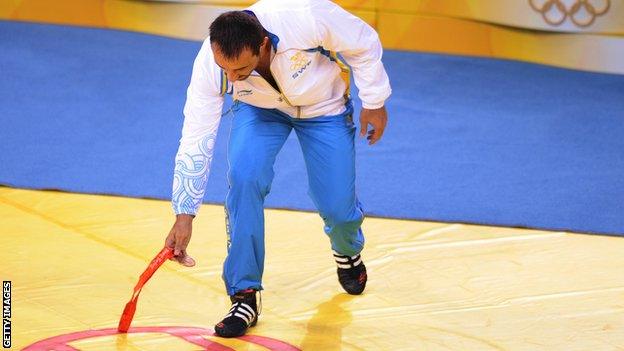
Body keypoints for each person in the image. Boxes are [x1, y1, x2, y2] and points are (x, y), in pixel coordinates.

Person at [164, 0, 391, 338]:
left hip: (323, 107)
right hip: (259, 111)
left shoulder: (305, 17)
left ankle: (347, 251)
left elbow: (364, 42)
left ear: (263, 46)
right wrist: (184, 213)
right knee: (244, 179)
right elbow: (197, 134)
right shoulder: (211, 62)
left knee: (338, 210)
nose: (230, 78)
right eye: (224, 69)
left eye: (240, 71)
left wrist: (374, 100)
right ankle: (244, 293)